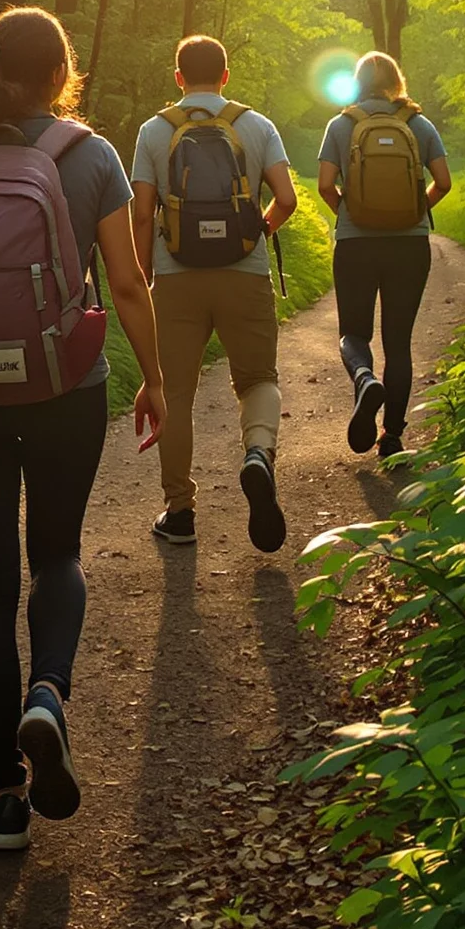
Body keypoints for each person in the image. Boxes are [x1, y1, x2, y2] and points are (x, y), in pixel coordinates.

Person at [0, 7, 168, 852]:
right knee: (57, 553)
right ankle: (48, 695)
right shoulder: (90, 156)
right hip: (63, 384)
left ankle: (5, 795)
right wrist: (153, 378)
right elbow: (124, 283)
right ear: (61, 73)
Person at [130, 33, 297, 552]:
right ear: (226, 76)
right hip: (244, 273)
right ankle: (257, 455)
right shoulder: (256, 125)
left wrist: (145, 277)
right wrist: (254, 235)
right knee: (257, 378)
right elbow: (286, 200)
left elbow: (139, 213)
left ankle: (180, 513)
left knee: (174, 393)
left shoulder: (154, 132)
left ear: (177, 77)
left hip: (174, 277)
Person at [316, 51, 452, 461]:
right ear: (397, 81)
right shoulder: (419, 124)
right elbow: (443, 182)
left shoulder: (341, 125)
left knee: (353, 333)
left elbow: (325, 184)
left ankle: (363, 379)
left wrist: (352, 213)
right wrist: (414, 211)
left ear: (358, 82)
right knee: (399, 342)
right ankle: (392, 436)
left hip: (356, 244)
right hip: (409, 245)